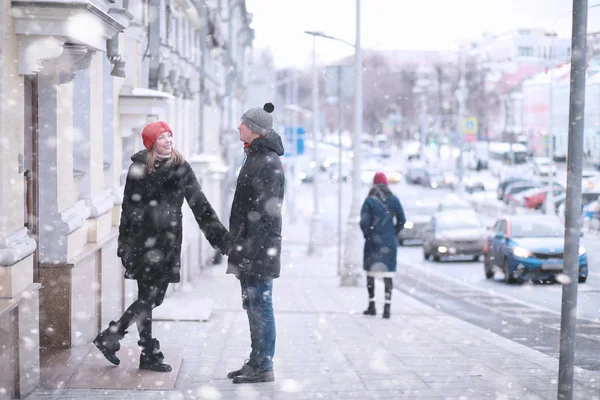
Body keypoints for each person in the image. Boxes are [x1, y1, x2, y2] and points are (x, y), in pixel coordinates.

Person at [93, 120, 231, 372]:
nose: (168, 140)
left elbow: (200, 206)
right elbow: (128, 208)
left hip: (166, 243)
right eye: (161, 137)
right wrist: (124, 244)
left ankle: (122, 340)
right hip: (142, 243)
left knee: (150, 298)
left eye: (169, 135)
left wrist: (222, 239)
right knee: (150, 297)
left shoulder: (181, 168)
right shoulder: (138, 168)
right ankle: (140, 349)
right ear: (151, 143)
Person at [226, 103, 285, 384]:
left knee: (261, 306)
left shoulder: (268, 164)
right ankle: (256, 360)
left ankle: (264, 365)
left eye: (243, 123)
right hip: (248, 249)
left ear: (254, 130)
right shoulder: (254, 157)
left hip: (260, 251)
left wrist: (248, 254)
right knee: (252, 306)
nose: (238, 127)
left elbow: (264, 217)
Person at [359, 172, 406, 319]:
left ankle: (372, 305)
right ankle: (387, 308)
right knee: (388, 275)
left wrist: (369, 234)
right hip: (389, 242)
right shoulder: (394, 199)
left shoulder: (369, 200)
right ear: (386, 184)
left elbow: (363, 222)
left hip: (373, 241)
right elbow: (402, 220)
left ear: (374, 184)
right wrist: (392, 233)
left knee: (370, 273)